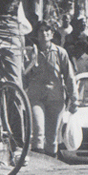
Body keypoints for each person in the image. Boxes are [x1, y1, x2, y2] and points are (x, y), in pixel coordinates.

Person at [22, 22, 75, 156]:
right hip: (35, 96)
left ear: (51, 34)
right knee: (38, 130)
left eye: (47, 31)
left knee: (51, 137)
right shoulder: (31, 52)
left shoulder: (60, 52)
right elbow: (24, 75)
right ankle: (37, 162)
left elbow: (69, 76)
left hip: (55, 98)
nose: (44, 34)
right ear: (37, 34)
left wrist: (74, 99)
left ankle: (50, 164)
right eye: (41, 31)